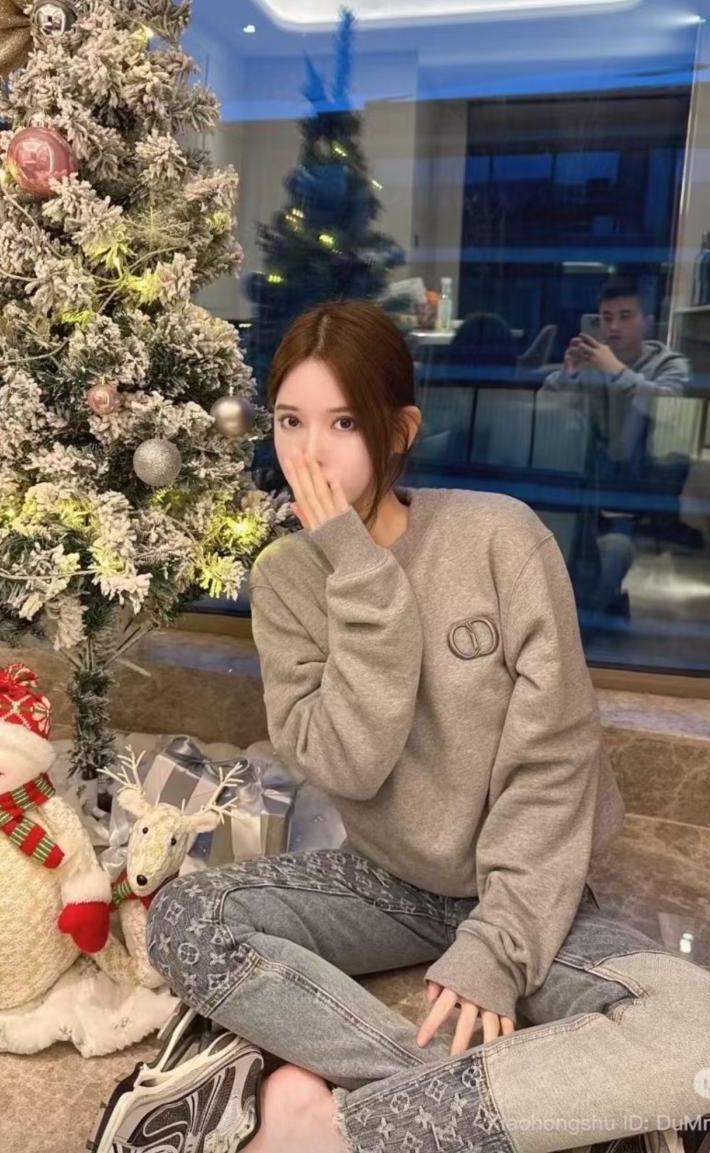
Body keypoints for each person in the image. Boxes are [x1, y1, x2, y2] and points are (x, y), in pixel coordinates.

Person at [146, 299, 710, 1153]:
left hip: (528, 888)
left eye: (342, 422)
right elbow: (350, 763)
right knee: (185, 915)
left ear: (399, 430)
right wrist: (356, 569)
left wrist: (500, 943)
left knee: (694, 1029)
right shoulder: (287, 577)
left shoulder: (499, 538)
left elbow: (555, 760)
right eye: (291, 420)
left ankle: (340, 1129)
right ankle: (465, 1110)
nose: (310, 451)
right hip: (386, 881)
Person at [543, 279, 691, 615]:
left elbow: (673, 407)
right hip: (589, 479)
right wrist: (567, 375)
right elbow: (545, 412)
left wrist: (617, 371)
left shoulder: (669, 363)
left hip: (641, 474)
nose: (613, 327)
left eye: (625, 316)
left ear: (647, 321)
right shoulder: (591, 361)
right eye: (606, 317)